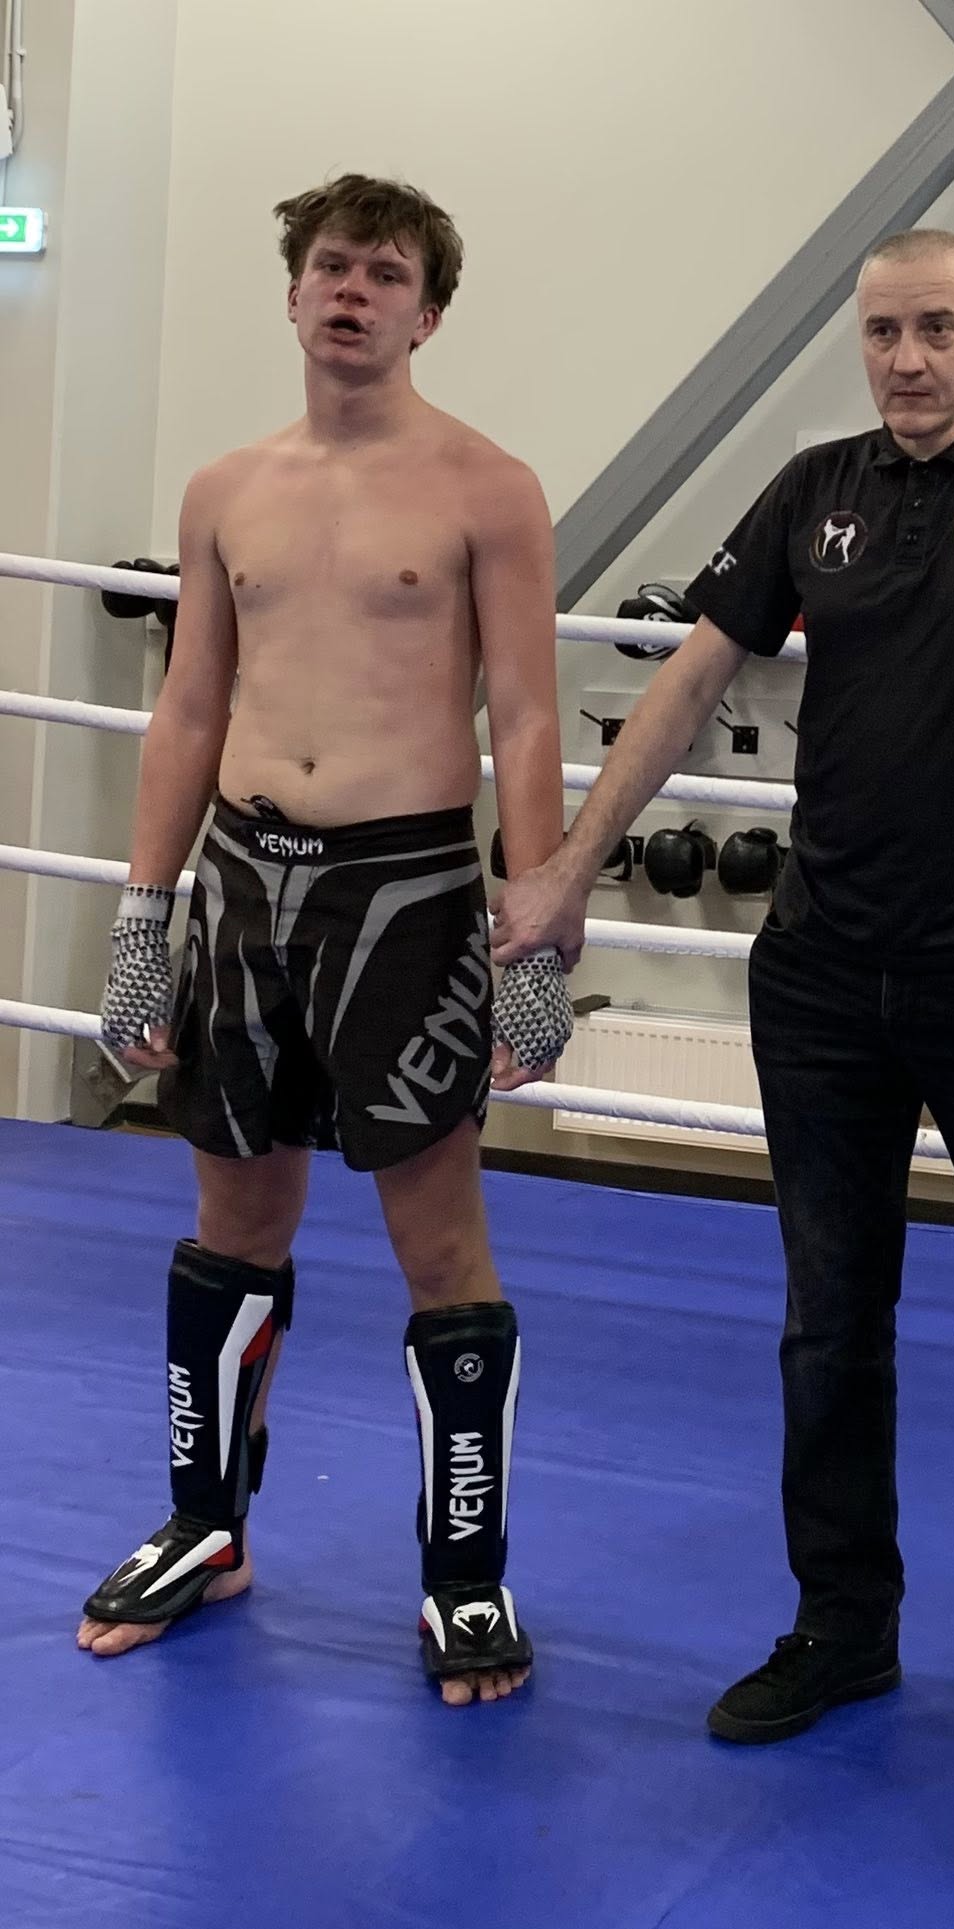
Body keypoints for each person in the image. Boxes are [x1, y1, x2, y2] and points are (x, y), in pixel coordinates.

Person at [492, 227, 954, 1790]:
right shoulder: (811, 486)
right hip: (824, 974)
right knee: (829, 1324)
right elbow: (693, 677)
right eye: (882, 330)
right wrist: (563, 869)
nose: (906, 357)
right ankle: (842, 1625)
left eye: (937, 327)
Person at [82, 174, 574, 1708]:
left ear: (429, 313)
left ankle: (465, 1574)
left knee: (439, 1244)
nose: (353, 291)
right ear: (294, 293)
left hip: (405, 893)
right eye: (333, 266)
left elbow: (527, 716)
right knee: (233, 1224)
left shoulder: (489, 488)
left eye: (386, 273)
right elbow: (190, 705)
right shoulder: (226, 489)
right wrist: (142, 918)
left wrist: (535, 936)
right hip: (242, 884)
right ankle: (205, 1529)